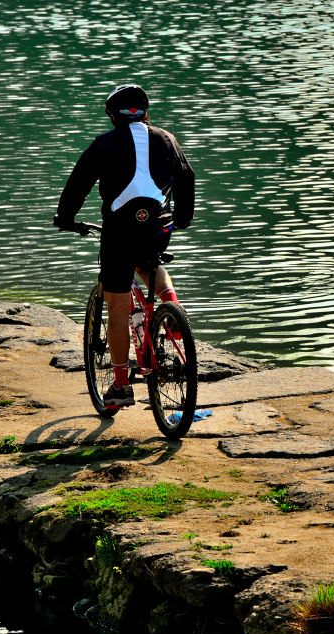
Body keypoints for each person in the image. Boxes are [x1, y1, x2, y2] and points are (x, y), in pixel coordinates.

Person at [54, 84, 195, 407]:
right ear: (145, 113)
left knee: (117, 306)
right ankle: (173, 311)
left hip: (119, 232)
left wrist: (65, 218)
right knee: (149, 263)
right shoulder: (168, 139)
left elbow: (78, 183)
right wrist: (182, 219)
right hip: (158, 226)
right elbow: (186, 177)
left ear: (112, 115)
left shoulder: (104, 143)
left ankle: (120, 387)